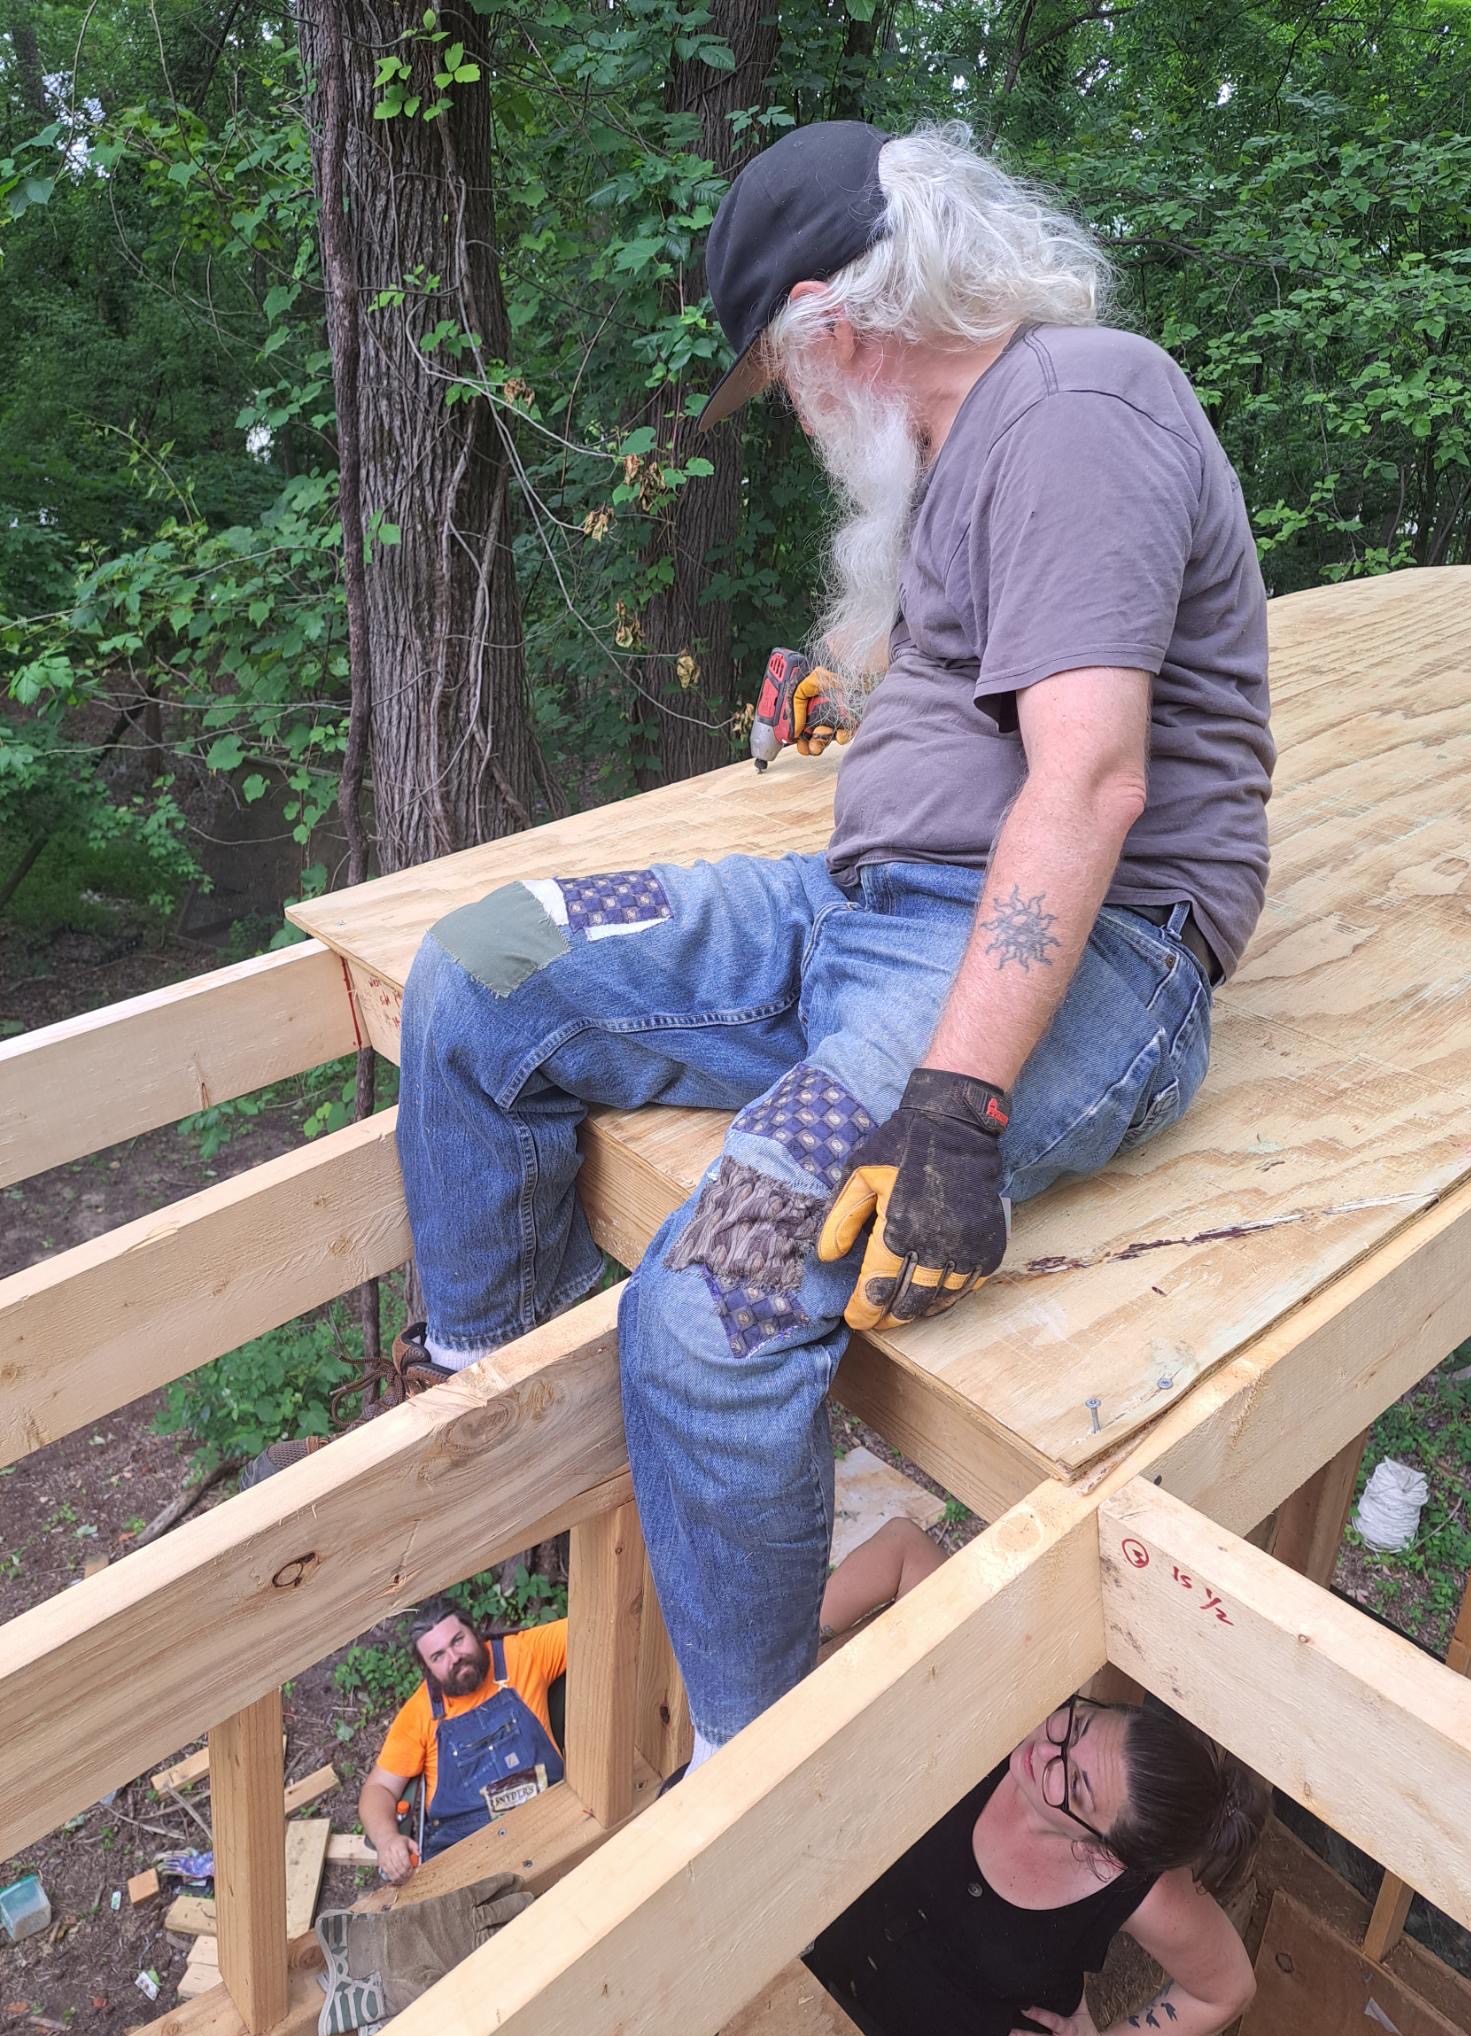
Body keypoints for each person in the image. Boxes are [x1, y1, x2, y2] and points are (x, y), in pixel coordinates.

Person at [252, 120, 1272, 1777]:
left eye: (779, 378)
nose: (791, 413)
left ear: (828, 326)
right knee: (485, 964)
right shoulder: (970, 448)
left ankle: (750, 1770)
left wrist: (956, 1102)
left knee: (709, 1316)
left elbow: (1088, 779)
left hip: (1064, 962)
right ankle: (508, 1422)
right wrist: (854, 699)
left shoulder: (1079, 405)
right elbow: (999, 709)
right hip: (864, 913)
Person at [811, 1521, 1267, 2036]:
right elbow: (904, 1550)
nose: (1042, 1753)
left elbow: (1225, 1992)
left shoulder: (1144, 1889)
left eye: (1073, 1786)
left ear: (1105, 1852)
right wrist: (779, 1679)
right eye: (1078, 1726)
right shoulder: (1013, 1702)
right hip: (818, 1985)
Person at [358, 1599, 566, 1878]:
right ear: (427, 1670)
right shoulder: (419, 1714)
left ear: (474, 1631)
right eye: (438, 1656)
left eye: (458, 1640)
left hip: (549, 1816)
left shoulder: (523, 1653)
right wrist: (387, 1840)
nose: (454, 1657)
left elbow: (597, 1621)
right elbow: (379, 1788)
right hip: (466, 1850)